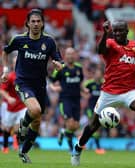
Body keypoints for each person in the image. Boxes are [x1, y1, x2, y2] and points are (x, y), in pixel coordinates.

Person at [71, 20, 135, 166]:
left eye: (120, 31)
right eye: (115, 31)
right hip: (109, 93)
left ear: (127, 31)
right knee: (93, 126)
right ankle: (77, 148)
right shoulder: (110, 43)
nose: (117, 34)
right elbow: (100, 50)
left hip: (129, 92)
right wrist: (105, 34)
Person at [0, 9, 63, 163]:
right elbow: (5, 52)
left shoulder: (49, 41)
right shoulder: (19, 39)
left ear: (42, 24)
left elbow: (59, 61)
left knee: (37, 121)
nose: (35, 24)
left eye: (38, 21)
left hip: (40, 85)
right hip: (22, 82)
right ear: (27, 23)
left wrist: (58, 65)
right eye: (33, 21)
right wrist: (6, 70)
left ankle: (23, 151)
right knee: (35, 110)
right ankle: (23, 125)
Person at [49, 47, 88, 153]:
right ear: (65, 56)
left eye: (72, 54)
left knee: (75, 126)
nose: (70, 56)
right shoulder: (61, 68)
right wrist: (54, 88)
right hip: (65, 100)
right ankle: (71, 149)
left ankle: (63, 132)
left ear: (75, 55)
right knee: (70, 124)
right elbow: (52, 81)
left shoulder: (79, 68)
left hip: (77, 100)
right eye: (68, 54)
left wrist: (84, 90)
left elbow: (80, 83)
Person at [0, 56, 27, 153]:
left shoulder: (27, 75)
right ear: (13, 64)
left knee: (21, 124)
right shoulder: (10, 76)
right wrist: (8, 98)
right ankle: (6, 147)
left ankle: (17, 144)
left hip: (22, 106)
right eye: (15, 62)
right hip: (11, 107)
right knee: (6, 128)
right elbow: (2, 90)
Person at [84, 68, 105, 154]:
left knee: (95, 127)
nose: (98, 75)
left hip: (101, 108)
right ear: (94, 74)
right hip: (91, 108)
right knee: (93, 125)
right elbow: (81, 87)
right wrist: (85, 95)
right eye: (96, 73)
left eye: (99, 73)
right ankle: (98, 148)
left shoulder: (104, 83)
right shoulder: (89, 83)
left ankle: (82, 139)